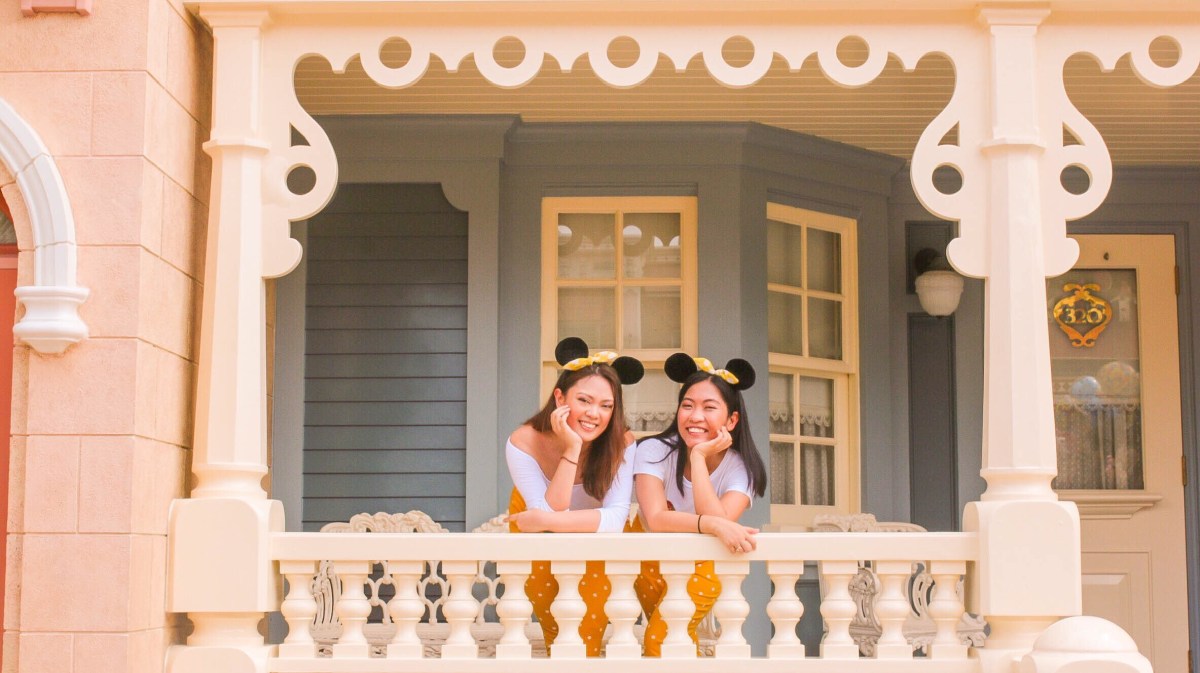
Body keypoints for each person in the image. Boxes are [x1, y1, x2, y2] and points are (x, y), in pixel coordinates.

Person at [505, 336, 644, 656]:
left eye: (606, 405)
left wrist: (545, 520)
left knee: (586, 635)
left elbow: (616, 518)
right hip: (539, 541)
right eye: (584, 400)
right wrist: (572, 448)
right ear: (560, 397)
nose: (595, 413)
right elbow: (547, 516)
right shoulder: (524, 441)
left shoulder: (622, 443)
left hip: (596, 542)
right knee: (557, 630)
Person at [633, 352, 766, 656]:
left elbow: (721, 522)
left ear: (732, 420)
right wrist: (712, 525)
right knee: (673, 639)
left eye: (709, 407)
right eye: (687, 405)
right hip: (649, 558)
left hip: (704, 564)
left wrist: (698, 457)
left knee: (662, 638)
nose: (694, 416)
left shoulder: (741, 469)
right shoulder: (653, 450)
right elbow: (656, 519)